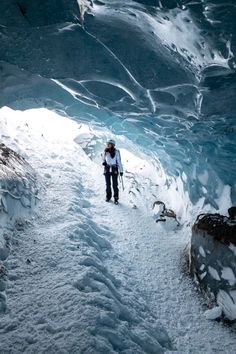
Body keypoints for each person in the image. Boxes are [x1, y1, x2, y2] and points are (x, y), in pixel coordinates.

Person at [101, 139, 123, 204]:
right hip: (107, 169)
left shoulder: (117, 152)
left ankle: (116, 198)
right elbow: (102, 159)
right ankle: (108, 196)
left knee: (115, 185)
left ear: (113, 145)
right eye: (107, 143)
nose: (108, 145)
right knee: (108, 184)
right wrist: (103, 162)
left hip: (114, 169)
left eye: (109, 144)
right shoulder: (105, 151)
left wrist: (121, 170)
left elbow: (119, 161)